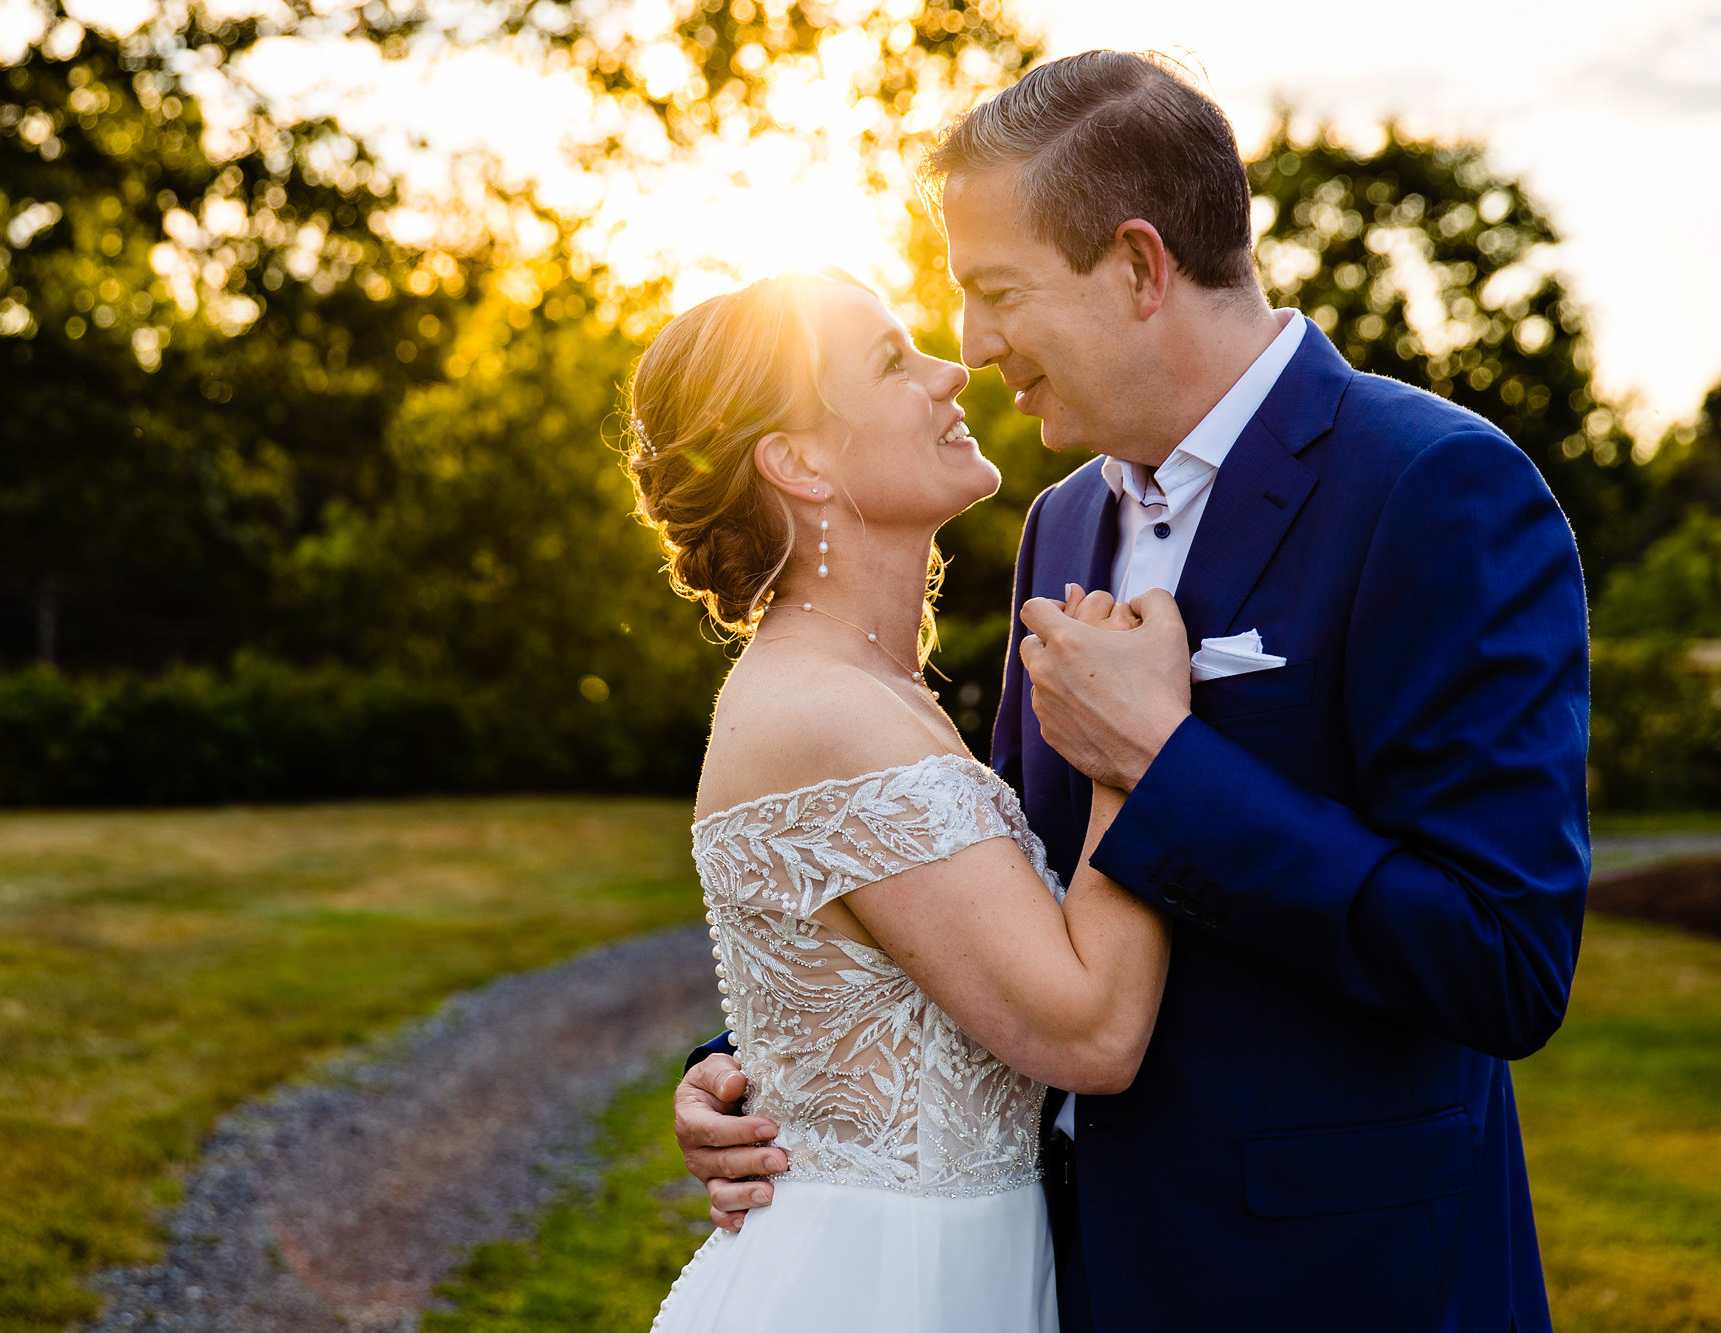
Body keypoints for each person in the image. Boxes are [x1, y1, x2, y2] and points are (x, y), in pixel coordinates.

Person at [673, 50, 1590, 1332]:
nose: (973, 346)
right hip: (1076, 1277)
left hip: (1337, 1284)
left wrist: (1168, 767)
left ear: (1139, 268)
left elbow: (1503, 962)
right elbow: (1005, 893)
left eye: (995, 294)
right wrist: (757, 1067)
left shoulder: (1433, 489)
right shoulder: (1058, 528)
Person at [623, 268, 1173, 1331]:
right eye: (888, 362)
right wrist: (1134, 755)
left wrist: (738, 1067)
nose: (948, 371)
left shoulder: (868, 692)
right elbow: (1091, 1034)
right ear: (797, 460)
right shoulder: (825, 715)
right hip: (880, 1288)